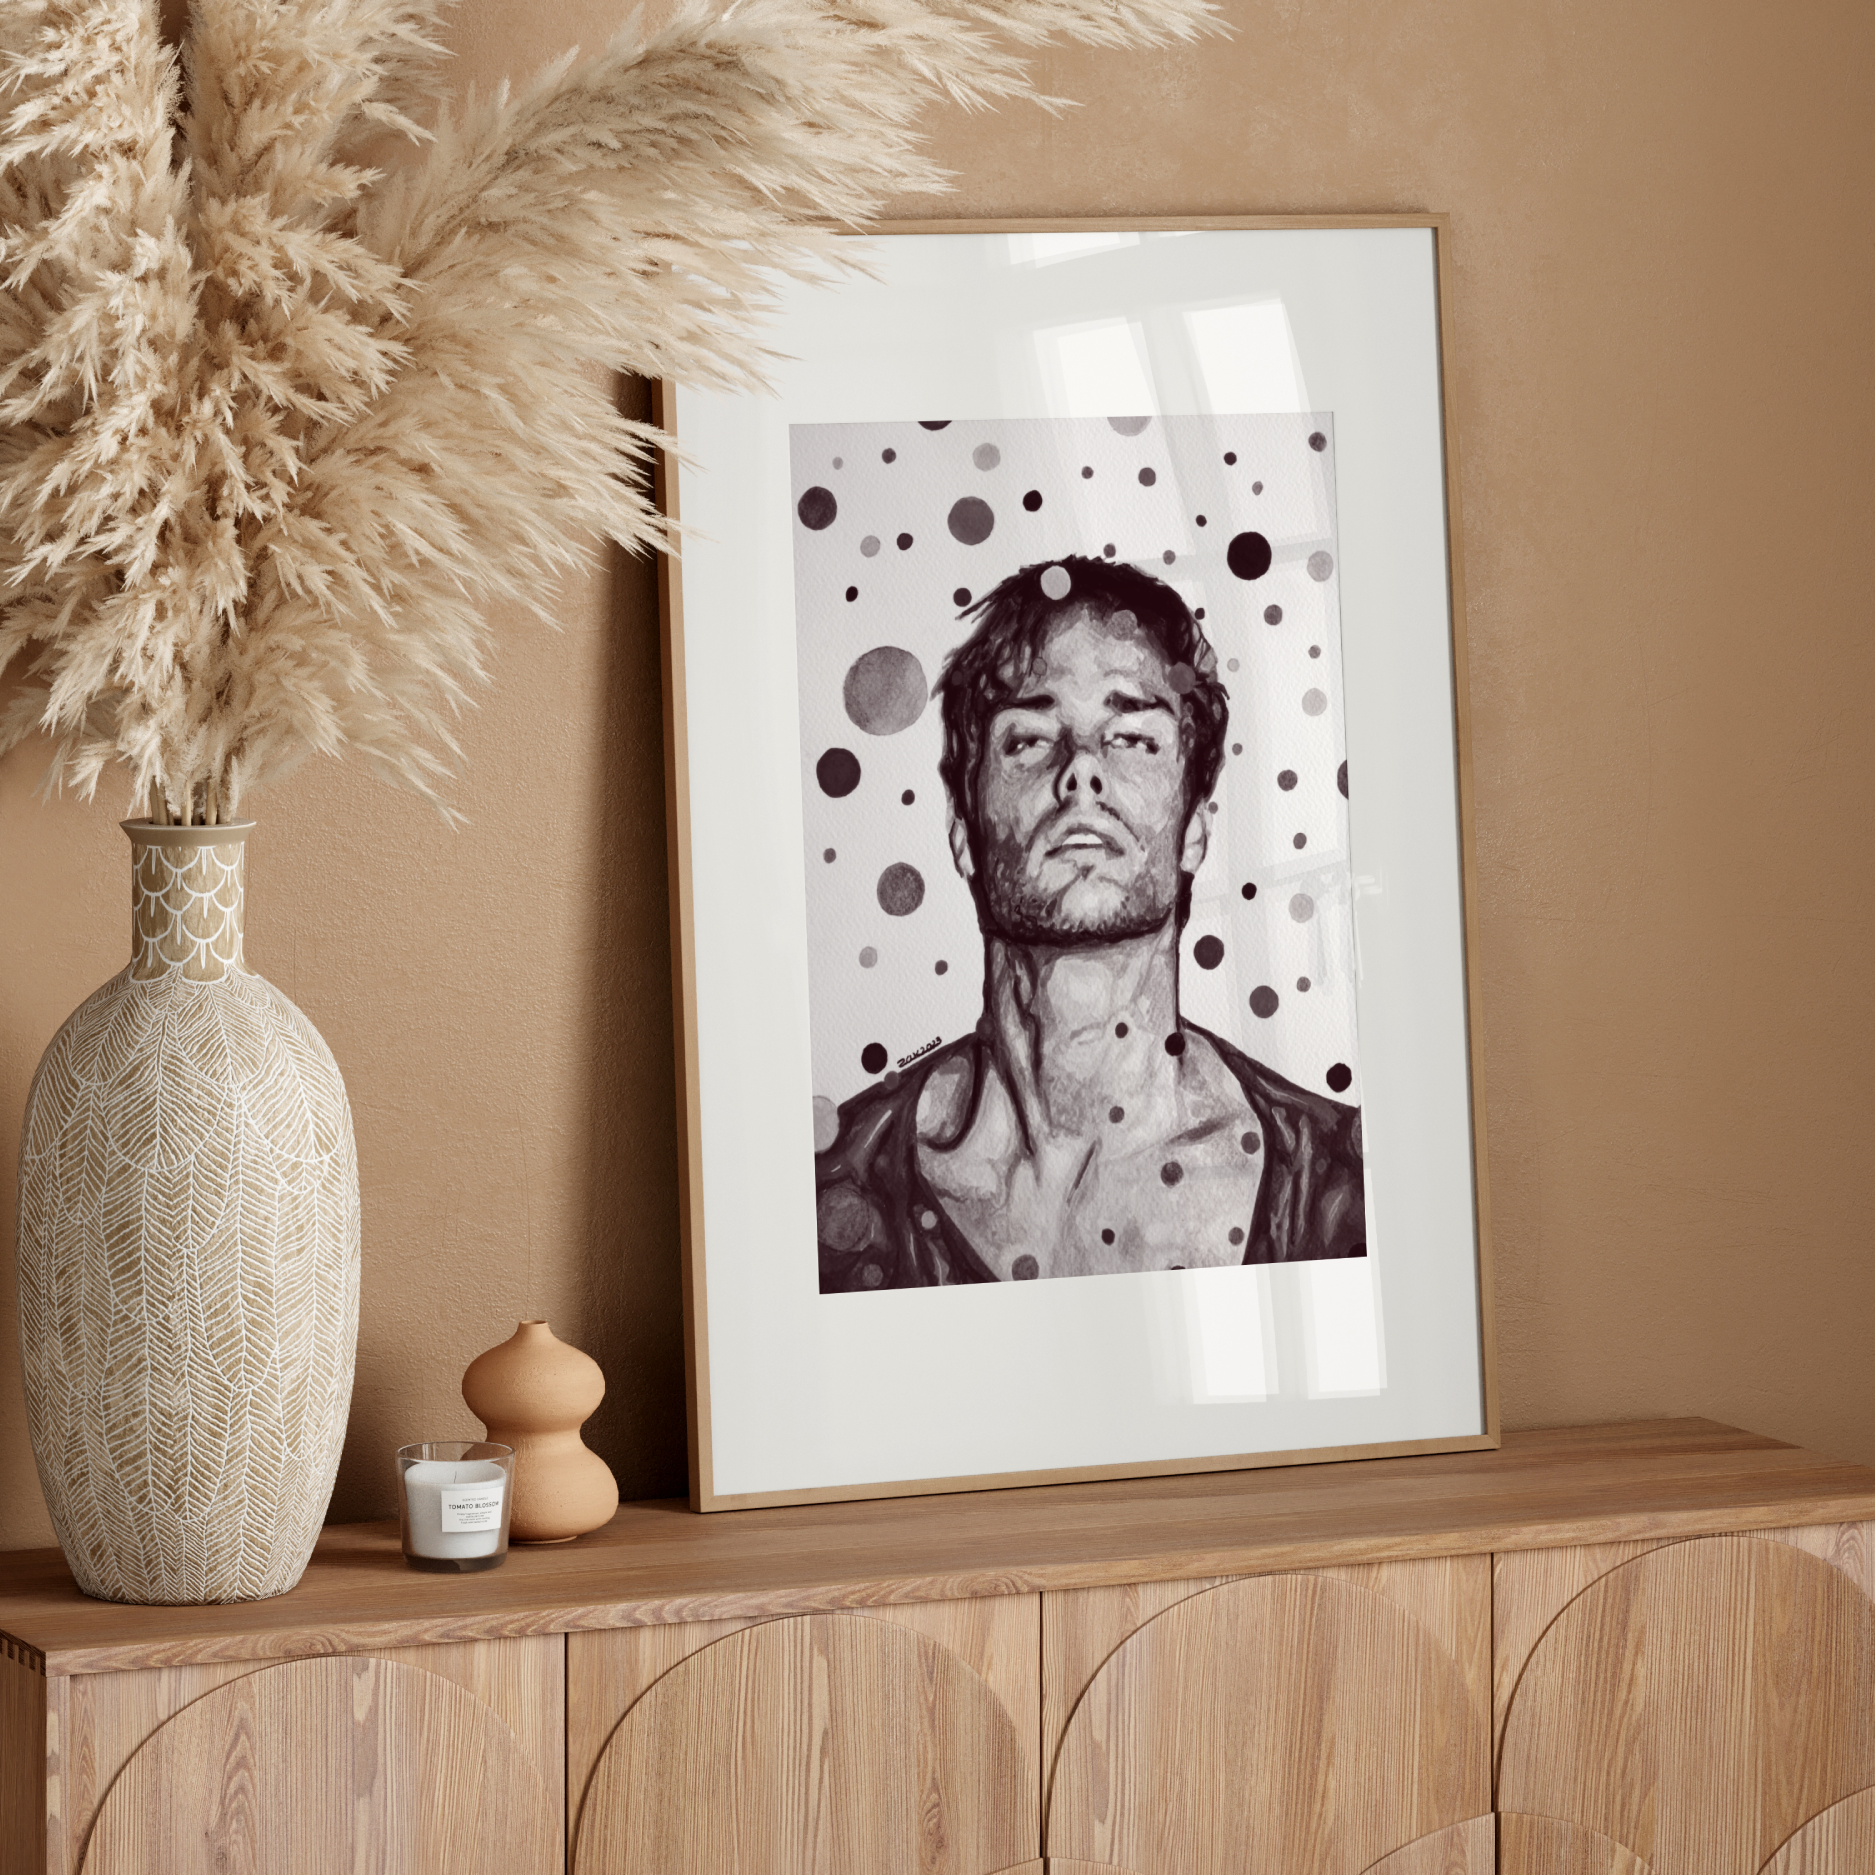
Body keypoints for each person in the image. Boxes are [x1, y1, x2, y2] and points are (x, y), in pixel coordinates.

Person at [816, 554, 1364, 1292]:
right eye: (1029, 738)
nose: (1080, 771)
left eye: (1131, 737)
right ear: (962, 830)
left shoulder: (1346, 1187)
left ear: (1195, 827)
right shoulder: (828, 1197)